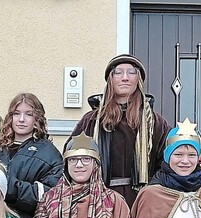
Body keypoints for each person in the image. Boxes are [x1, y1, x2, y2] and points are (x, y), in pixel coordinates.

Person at [69, 54, 171, 206]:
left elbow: (167, 163)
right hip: (98, 201)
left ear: (139, 79)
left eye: (131, 72)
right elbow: (71, 159)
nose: (125, 77)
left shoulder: (155, 123)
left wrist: (151, 191)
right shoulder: (91, 121)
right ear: (111, 79)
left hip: (141, 201)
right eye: (118, 72)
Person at [0, 93, 63, 218]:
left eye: (28, 114)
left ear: (37, 119)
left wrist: (8, 186)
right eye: (16, 114)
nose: (21, 119)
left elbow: (49, 197)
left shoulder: (49, 154)